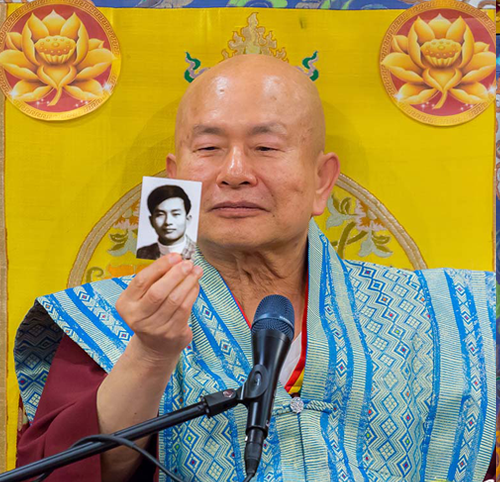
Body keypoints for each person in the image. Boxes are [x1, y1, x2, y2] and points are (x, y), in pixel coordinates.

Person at [14, 54, 495, 482]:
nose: (235, 172)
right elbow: (69, 472)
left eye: (266, 148)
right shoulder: (101, 320)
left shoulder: (450, 317)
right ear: (175, 178)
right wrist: (149, 354)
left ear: (321, 180)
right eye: (208, 149)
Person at [137, 184, 196, 261]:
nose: (168, 222)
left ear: (187, 219)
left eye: (175, 214)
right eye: (160, 214)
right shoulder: (141, 254)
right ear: (151, 221)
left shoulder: (203, 255)